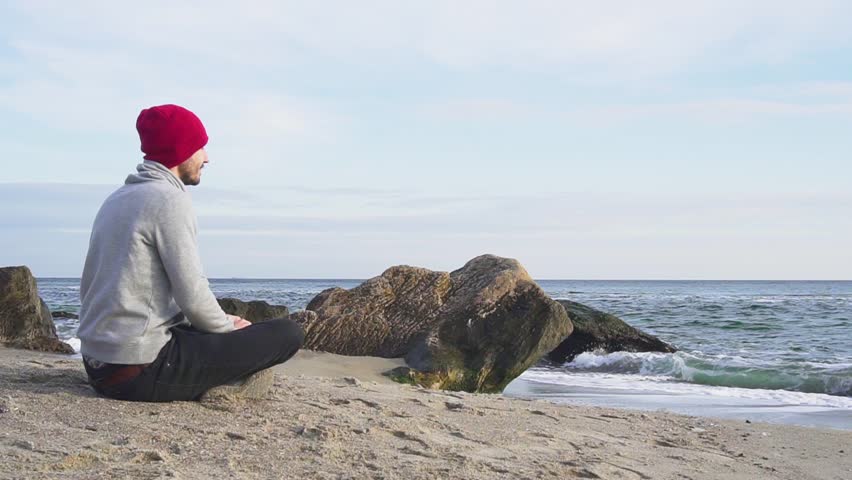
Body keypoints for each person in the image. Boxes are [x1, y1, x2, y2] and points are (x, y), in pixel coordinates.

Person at [77, 104, 303, 402]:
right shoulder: (168, 199)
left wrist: (221, 323)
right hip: (138, 372)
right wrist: (227, 328)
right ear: (181, 149)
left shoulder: (118, 198)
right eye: (200, 146)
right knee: (287, 333)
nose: (206, 157)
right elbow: (192, 294)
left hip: (100, 364)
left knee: (219, 326)